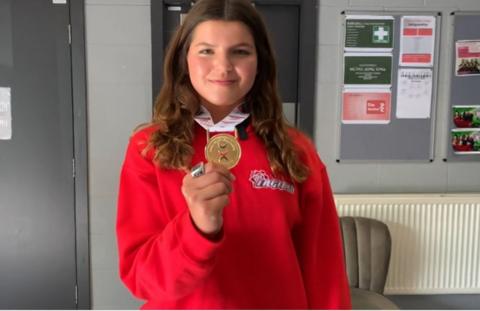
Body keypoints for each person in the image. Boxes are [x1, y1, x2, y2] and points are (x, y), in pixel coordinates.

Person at [116, 0, 351, 309]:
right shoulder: (149, 149)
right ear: (183, 58)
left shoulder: (296, 152)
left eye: (240, 51)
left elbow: (325, 273)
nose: (223, 66)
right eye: (206, 51)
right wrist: (198, 228)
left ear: (260, 61)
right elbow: (142, 279)